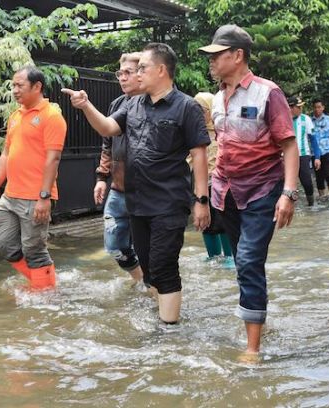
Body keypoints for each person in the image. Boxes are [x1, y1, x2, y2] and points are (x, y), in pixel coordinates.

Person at [62, 43, 211, 324]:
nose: (136, 73)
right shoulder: (132, 105)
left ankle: (169, 330)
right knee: (150, 268)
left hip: (169, 202)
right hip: (137, 202)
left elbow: (199, 157)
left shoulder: (186, 107)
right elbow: (107, 127)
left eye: (142, 67)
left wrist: (201, 201)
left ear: (161, 70)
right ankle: (164, 312)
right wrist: (85, 106)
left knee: (165, 266)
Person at [199, 24, 298, 355]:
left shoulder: (268, 93)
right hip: (225, 193)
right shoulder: (216, 98)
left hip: (262, 192)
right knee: (245, 264)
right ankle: (260, 324)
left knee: (248, 259)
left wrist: (288, 194)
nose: (211, 62)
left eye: (217, 56)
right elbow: (221, 144)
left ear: (237, 55)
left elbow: (289, 146)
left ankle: (252, 350)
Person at [0, 66, 67, 290]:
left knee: (34, 250)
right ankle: (43, 283)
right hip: (10, 195)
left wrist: (44, 197)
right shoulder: (15, 116)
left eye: (20, 85)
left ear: (37, 86)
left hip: (35, 196)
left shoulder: (51, 117)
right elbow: (6, 154)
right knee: (3, 241)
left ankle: (44, 295)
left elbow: (53, 159)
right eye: (13, 86)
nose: (14, 90)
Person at [93, 52, 144, 284]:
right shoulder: (118, 104)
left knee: (148, 244)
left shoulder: (155, 103)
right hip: (119, 187)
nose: (122, 78)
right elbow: (107, 142)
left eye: (128, 73)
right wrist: (102, 177)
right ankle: (140, 279)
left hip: (148, 190)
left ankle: (155, 288)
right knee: (114, 245)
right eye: (119, 73)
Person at [191, 92, 234, 262]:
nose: (198, 115)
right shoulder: (192, 133)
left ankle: (230, 257)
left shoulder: (223, 131)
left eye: (201, 110)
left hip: (222, 185)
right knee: (205, 224)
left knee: (223, 223)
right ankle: (213, 258)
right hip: (200, 186)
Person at [289, 96, 320, 206]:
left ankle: (311, 205)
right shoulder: (282, 118)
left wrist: (317, 157)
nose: (301, 109)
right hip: (286, 157)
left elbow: (313, 139)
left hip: (303, 155)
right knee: (289, 183)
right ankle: (290, 205)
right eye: (299, 107)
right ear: (291, 108)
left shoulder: (305, 119)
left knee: (307, 182)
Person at [311, 99, 329, 202]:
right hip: (315, 152)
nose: (317, 109)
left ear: (323, 107)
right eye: (315, 107)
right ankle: (322, 199)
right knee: (319, 176)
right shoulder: (310, 121)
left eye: (319, 107)